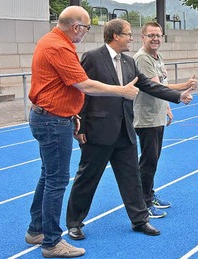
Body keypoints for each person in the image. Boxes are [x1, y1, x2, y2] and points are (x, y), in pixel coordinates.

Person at [26, 6, 141, 258]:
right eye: (86, 28)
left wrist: (73, 112)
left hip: (53, 116)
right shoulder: (59, 46)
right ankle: (52, 243)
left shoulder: (51, 40)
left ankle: (37, 230)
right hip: (52, 121)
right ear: (76, 27)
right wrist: (121, 91)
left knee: (48, 176)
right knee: (56, 181)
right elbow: (84, 84)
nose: (86, 33)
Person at [66, 19, 195, 240]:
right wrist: (81, 126)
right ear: (116, 36)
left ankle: (139, 220)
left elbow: (147, 84)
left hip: (125, 129)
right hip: (98, 130)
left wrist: (177, 96)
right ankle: (75, 223)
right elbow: (83, 92)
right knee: (88, 178)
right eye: (128, 34)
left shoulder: (128, 61)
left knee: (131, 178)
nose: (132, 38)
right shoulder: (92, 57)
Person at [133, 21, 198, 218]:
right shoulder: (142, 59)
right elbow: (155, 87)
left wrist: (168, 107)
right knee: (148, 160)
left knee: (153, 159)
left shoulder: (157, 56)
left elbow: (163, 83)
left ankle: (149, 194)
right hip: (146, 117)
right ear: (143, 37)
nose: (155, 39)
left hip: (157, 114)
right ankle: (143, 202)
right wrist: (183, 88)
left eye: (158, 35)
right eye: (151, 35)